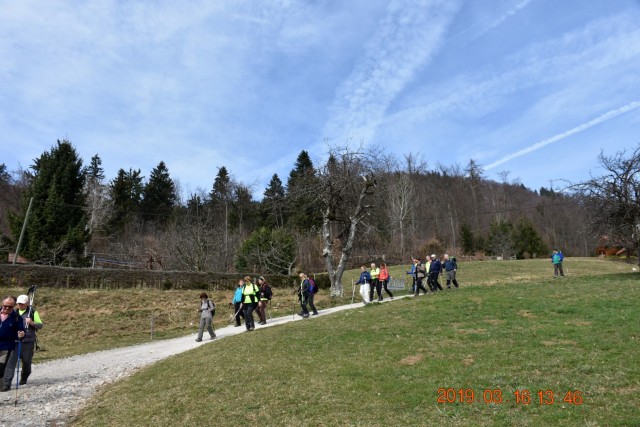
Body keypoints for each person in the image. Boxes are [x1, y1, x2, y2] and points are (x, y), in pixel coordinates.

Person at [3, 294, 42, 388]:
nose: (20, 305)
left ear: (27, 303)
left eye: (22, 304)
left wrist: (31, 323)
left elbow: (40, 325)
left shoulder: (32, 312)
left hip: (28, 341)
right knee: (11, 362)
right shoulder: (14, 312)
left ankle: (24, 378)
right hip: (15, 341)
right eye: (19, 304)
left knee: (27, 362)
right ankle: (7, 383)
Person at [1, 296, 25, 392]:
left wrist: (21, 334)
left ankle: (3, 386)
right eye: (5, 306)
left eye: (10, 307)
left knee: (0, 370)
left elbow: (21, 330)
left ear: (14, 306)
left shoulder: (16, 317)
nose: (7, 308)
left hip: (6, 347)